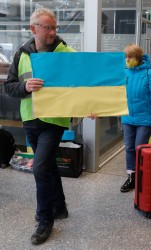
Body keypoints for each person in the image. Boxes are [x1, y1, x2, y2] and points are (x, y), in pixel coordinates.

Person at [4, 8, 75, 245]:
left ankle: (45, 219)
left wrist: (90, 106)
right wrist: (25, 87)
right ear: (33, 29)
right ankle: (60, 206)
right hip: (30, 119)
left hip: (54, 121)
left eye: (55, 27)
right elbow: (10, 86)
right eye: (48, 28)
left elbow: (83, 82)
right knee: (47, 166)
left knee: (40, 168)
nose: (53, 32)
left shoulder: (66, 53)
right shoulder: (22, 54)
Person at [120, 44, 151, 193]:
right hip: (127, 117)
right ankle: (131, 177)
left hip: (145, 119)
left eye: (130, 57)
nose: (127, 59)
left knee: (140, 148)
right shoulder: (124, 73)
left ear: (138, 58)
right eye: (126, 57)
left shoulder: (150, 74)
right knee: (129, 148)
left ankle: (141, 176)